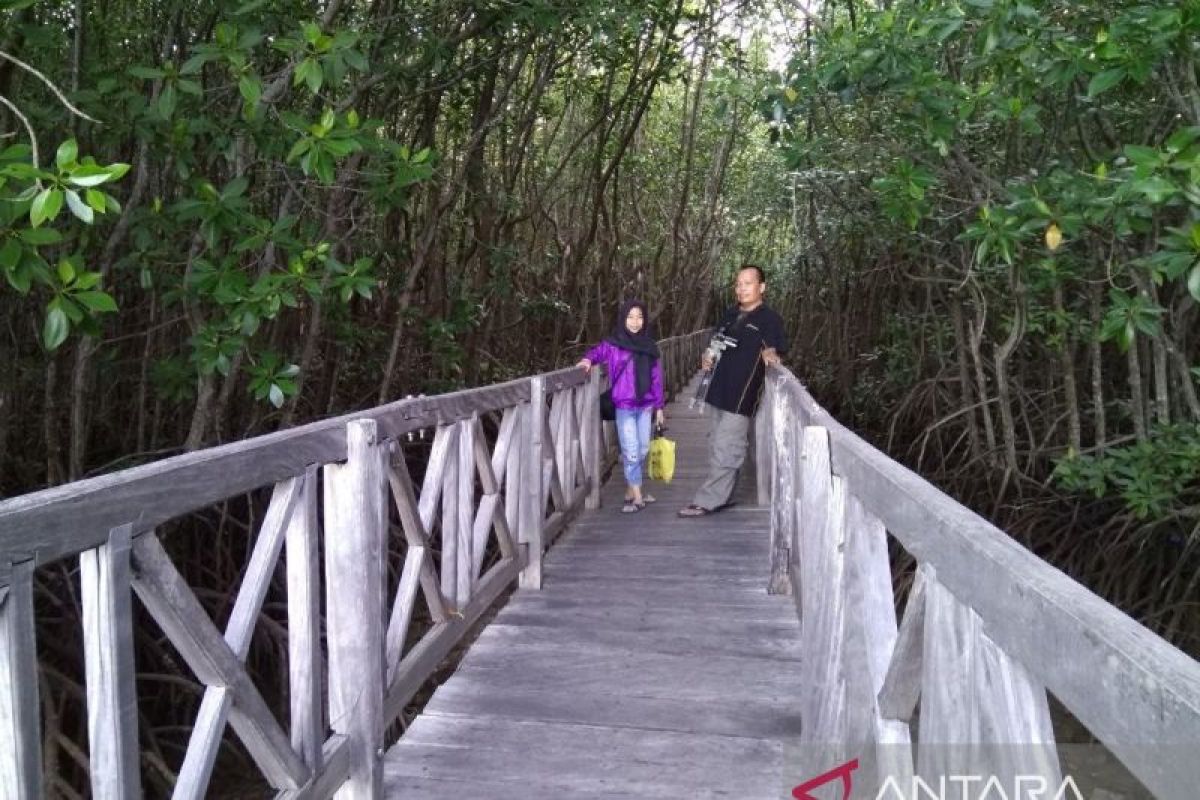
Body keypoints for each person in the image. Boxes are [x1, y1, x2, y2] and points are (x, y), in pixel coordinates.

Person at [678, 264, 787, 517]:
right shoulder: (729, 314)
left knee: (728, 445)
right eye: (738, 284)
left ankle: (709, 500)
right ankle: (723, 493)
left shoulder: (769, 319)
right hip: (718, 389)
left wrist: (771, 353)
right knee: (717, 442)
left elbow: (775, 348)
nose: (742, 289)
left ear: (761, 287)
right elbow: (715, 344)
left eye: (748, 283)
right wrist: (707, 356)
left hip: (742, 395)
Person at [578, 300, 666, 513]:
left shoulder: (649, 346)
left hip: (645, 406)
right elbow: (596, 352)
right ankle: (637, 497)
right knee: (632, 451)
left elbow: (656, 378)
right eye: (630, 317)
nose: (635, 322)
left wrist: (659, 407)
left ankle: (630, 488)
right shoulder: (614, 344)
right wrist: (587, 360)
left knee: (643, 448)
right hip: (624, 406)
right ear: (623, 319)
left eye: (639, 317)